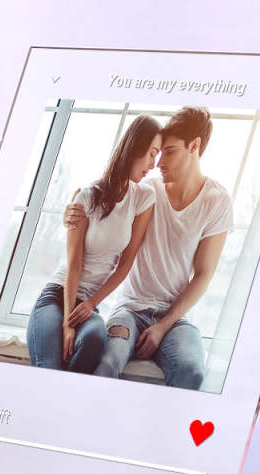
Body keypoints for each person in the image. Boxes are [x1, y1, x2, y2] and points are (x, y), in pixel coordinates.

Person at [65, 106, 232, 390]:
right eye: (158, 153)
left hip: (174, 319)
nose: (159, 162)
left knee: (192, 372)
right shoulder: (146, 190)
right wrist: (72, 211)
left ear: (194, 146)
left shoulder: (217, 201)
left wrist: (163, 326)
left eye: (170, 152)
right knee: (107, 363)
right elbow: (99, 198)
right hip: (129, 310)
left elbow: (204, 275)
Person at [26, 115, 162, 373]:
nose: (153, 165)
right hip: (58, 296)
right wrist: (68, 323)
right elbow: (74, 264)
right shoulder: (87, 196)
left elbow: (125, 265)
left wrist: (90, 304)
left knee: (94, 340)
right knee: (49, 367)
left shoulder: (143, 197)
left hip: (89, 305)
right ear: (135, 146)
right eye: (151, 154)